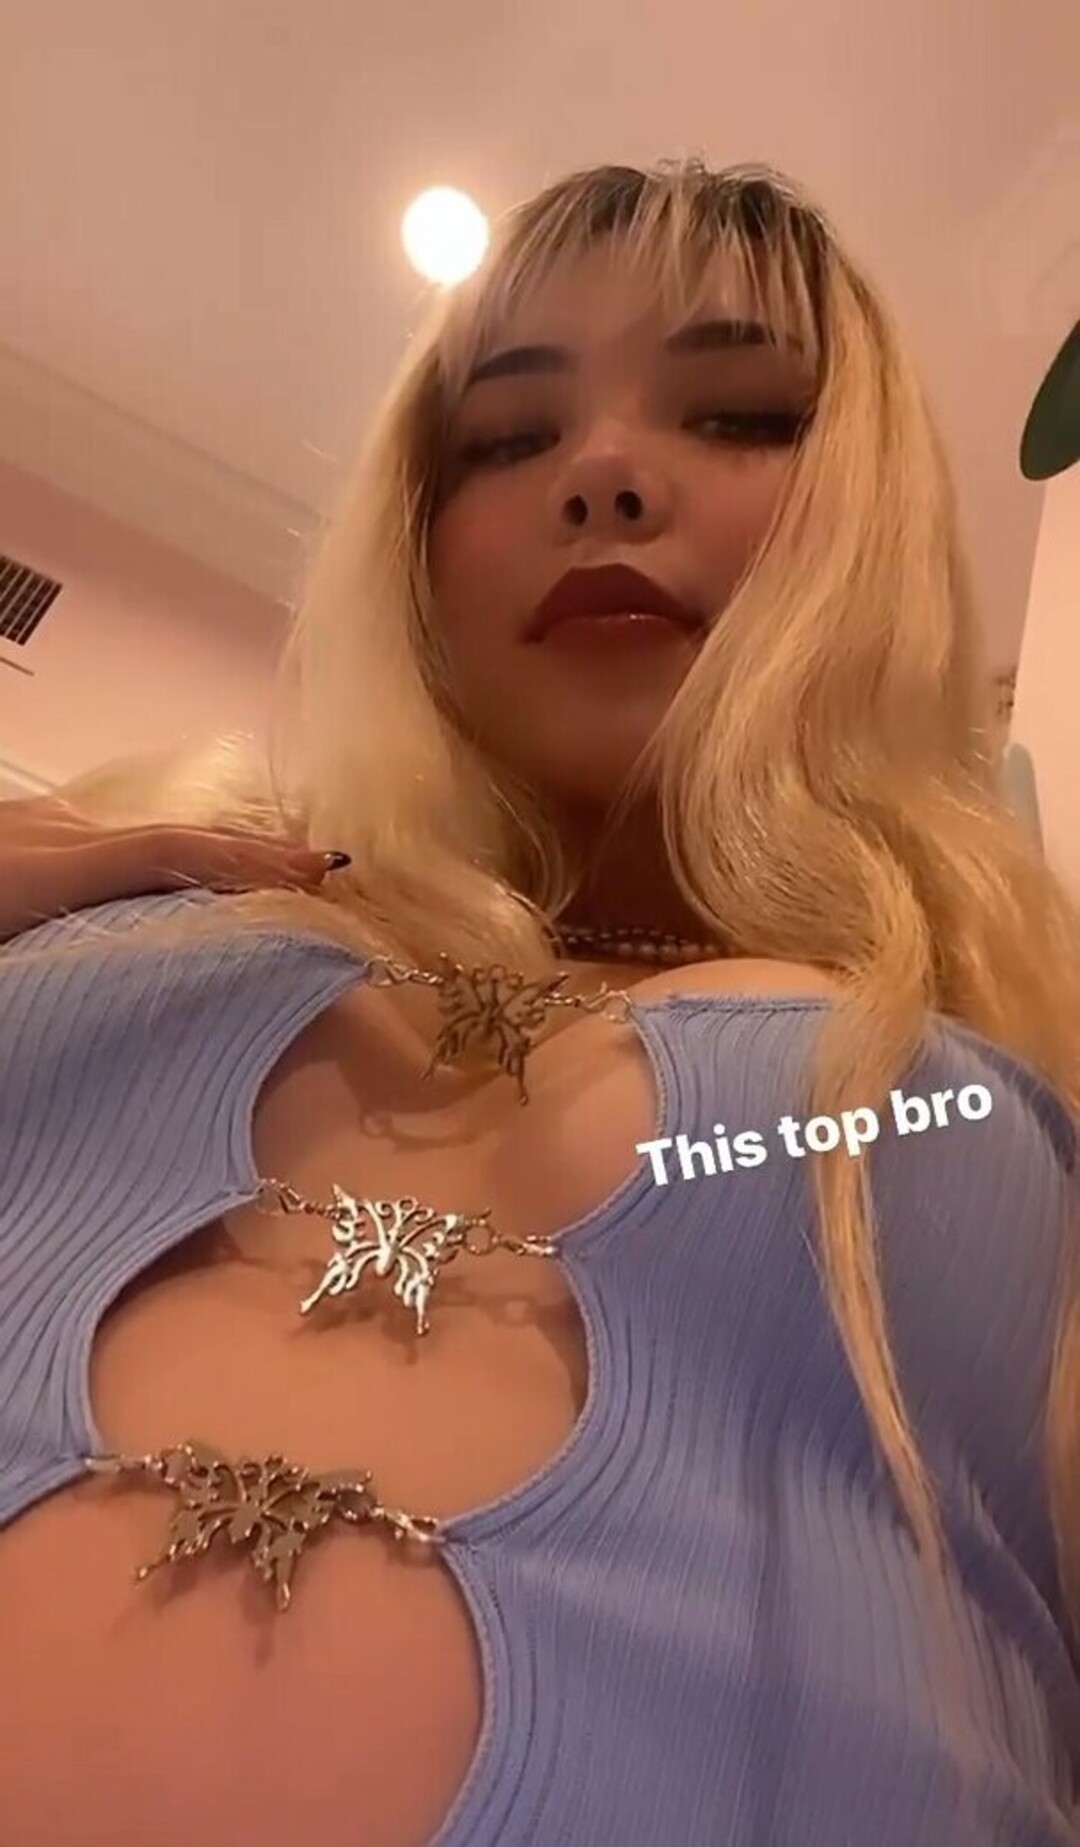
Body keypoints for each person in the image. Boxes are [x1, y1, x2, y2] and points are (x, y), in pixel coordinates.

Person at [1, 157, 1078, 1846]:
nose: (602, 475)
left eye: (738, 415)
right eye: (506, 438)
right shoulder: (142, 874)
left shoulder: (1005, 1039)